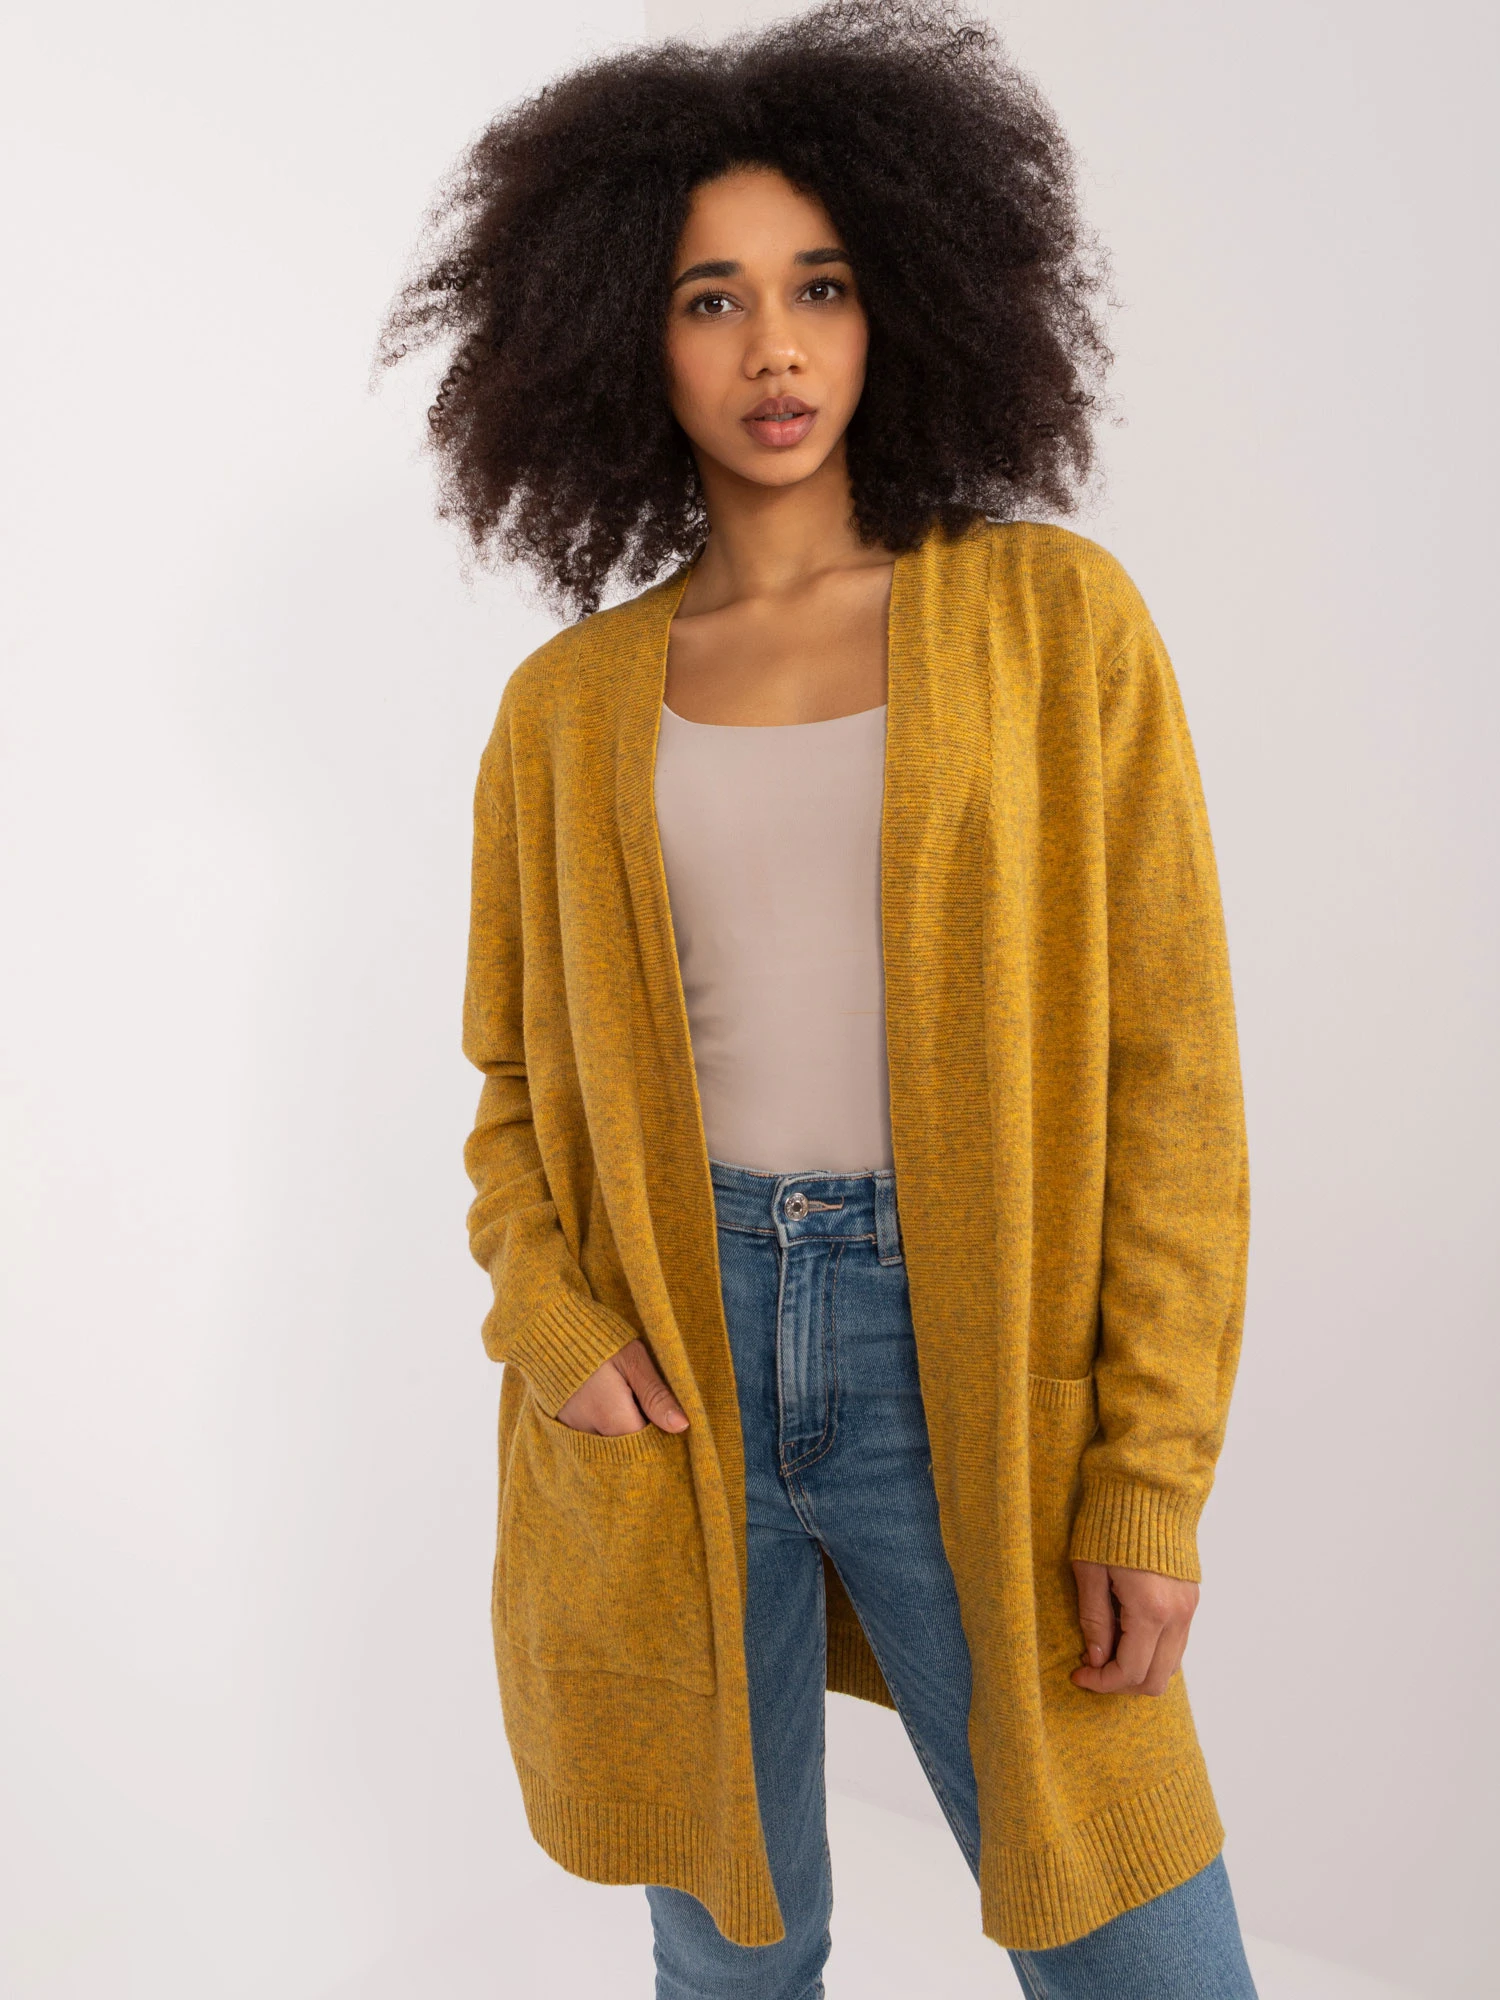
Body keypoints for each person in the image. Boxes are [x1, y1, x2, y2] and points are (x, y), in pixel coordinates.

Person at [377, 3, 1257, 1994]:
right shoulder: (564, 711)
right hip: (672, 1363)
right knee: (731, 1951)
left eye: (821, 286)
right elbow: (510, 1089)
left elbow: (1175, 1079)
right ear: (621, 332)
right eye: (712, 299)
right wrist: (556, 1319)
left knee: (1141, 1945)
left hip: (971, 1350)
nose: (773, 349)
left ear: (904, 303)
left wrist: (1146, 1474)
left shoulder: (1052, 622)